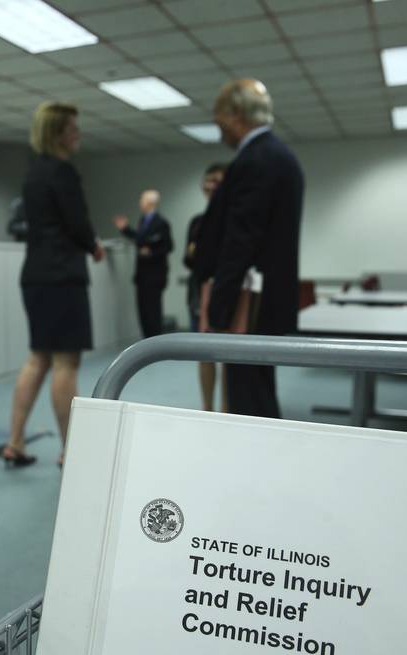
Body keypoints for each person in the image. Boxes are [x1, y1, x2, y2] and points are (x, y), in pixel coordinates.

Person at [4, 101, 105, 468]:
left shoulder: (32, 174)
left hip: (35, 276)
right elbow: (78, 224)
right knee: (66, 364)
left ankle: (15, 441)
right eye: (73, 128)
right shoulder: (62, 172)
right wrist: (93, 246)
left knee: (38, 358)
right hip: (63, 276)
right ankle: (71, 449)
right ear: (57, 133)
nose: (78, 133)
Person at [199, 79, 304, 418]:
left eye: (219, 121)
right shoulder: (280, 156)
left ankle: (256, 466)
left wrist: (219, 310)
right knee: (257, 390)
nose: (219, 131)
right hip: (267, 300)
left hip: (250, 305)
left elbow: (240, 242)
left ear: (236, 114)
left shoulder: (255, 160)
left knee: (249, 399)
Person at [183, 163, 227, 411]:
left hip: (228, 293)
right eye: (207, 180)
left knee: (229, 358)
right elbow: (188, 258)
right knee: (204, 353)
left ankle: (227, 412)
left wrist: (201, 253)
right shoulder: (197, 222)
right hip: (200, 294)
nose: (210, 186)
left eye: (217, 181)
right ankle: (207, 409)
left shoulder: (233, 219)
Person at [113, 190, 174, 338]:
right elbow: (141, 239)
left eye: (142, 199)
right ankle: (146, 340)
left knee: (153, 310)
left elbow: (167, 246)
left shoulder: (161, 223)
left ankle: (155, 341)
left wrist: (151, 251)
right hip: (142, 275)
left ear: (150, 202)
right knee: (143, 310)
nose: (140, 202)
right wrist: (126, 230)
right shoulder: (142, 220)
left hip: (155, 275)